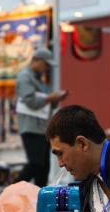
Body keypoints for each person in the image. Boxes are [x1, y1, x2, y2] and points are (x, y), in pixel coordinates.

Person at [14, 47, 69, 188]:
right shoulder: (25, 77)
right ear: (37, 60)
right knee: (35, 163)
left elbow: (46, 103)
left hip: (42, 128)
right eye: (46, 64)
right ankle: (12, 189)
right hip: (31, 127)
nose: (47, 68)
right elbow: (30, 101)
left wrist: (56, 98)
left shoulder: (39, 81)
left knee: (44, 167)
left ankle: (40, 195)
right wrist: (51, 97)